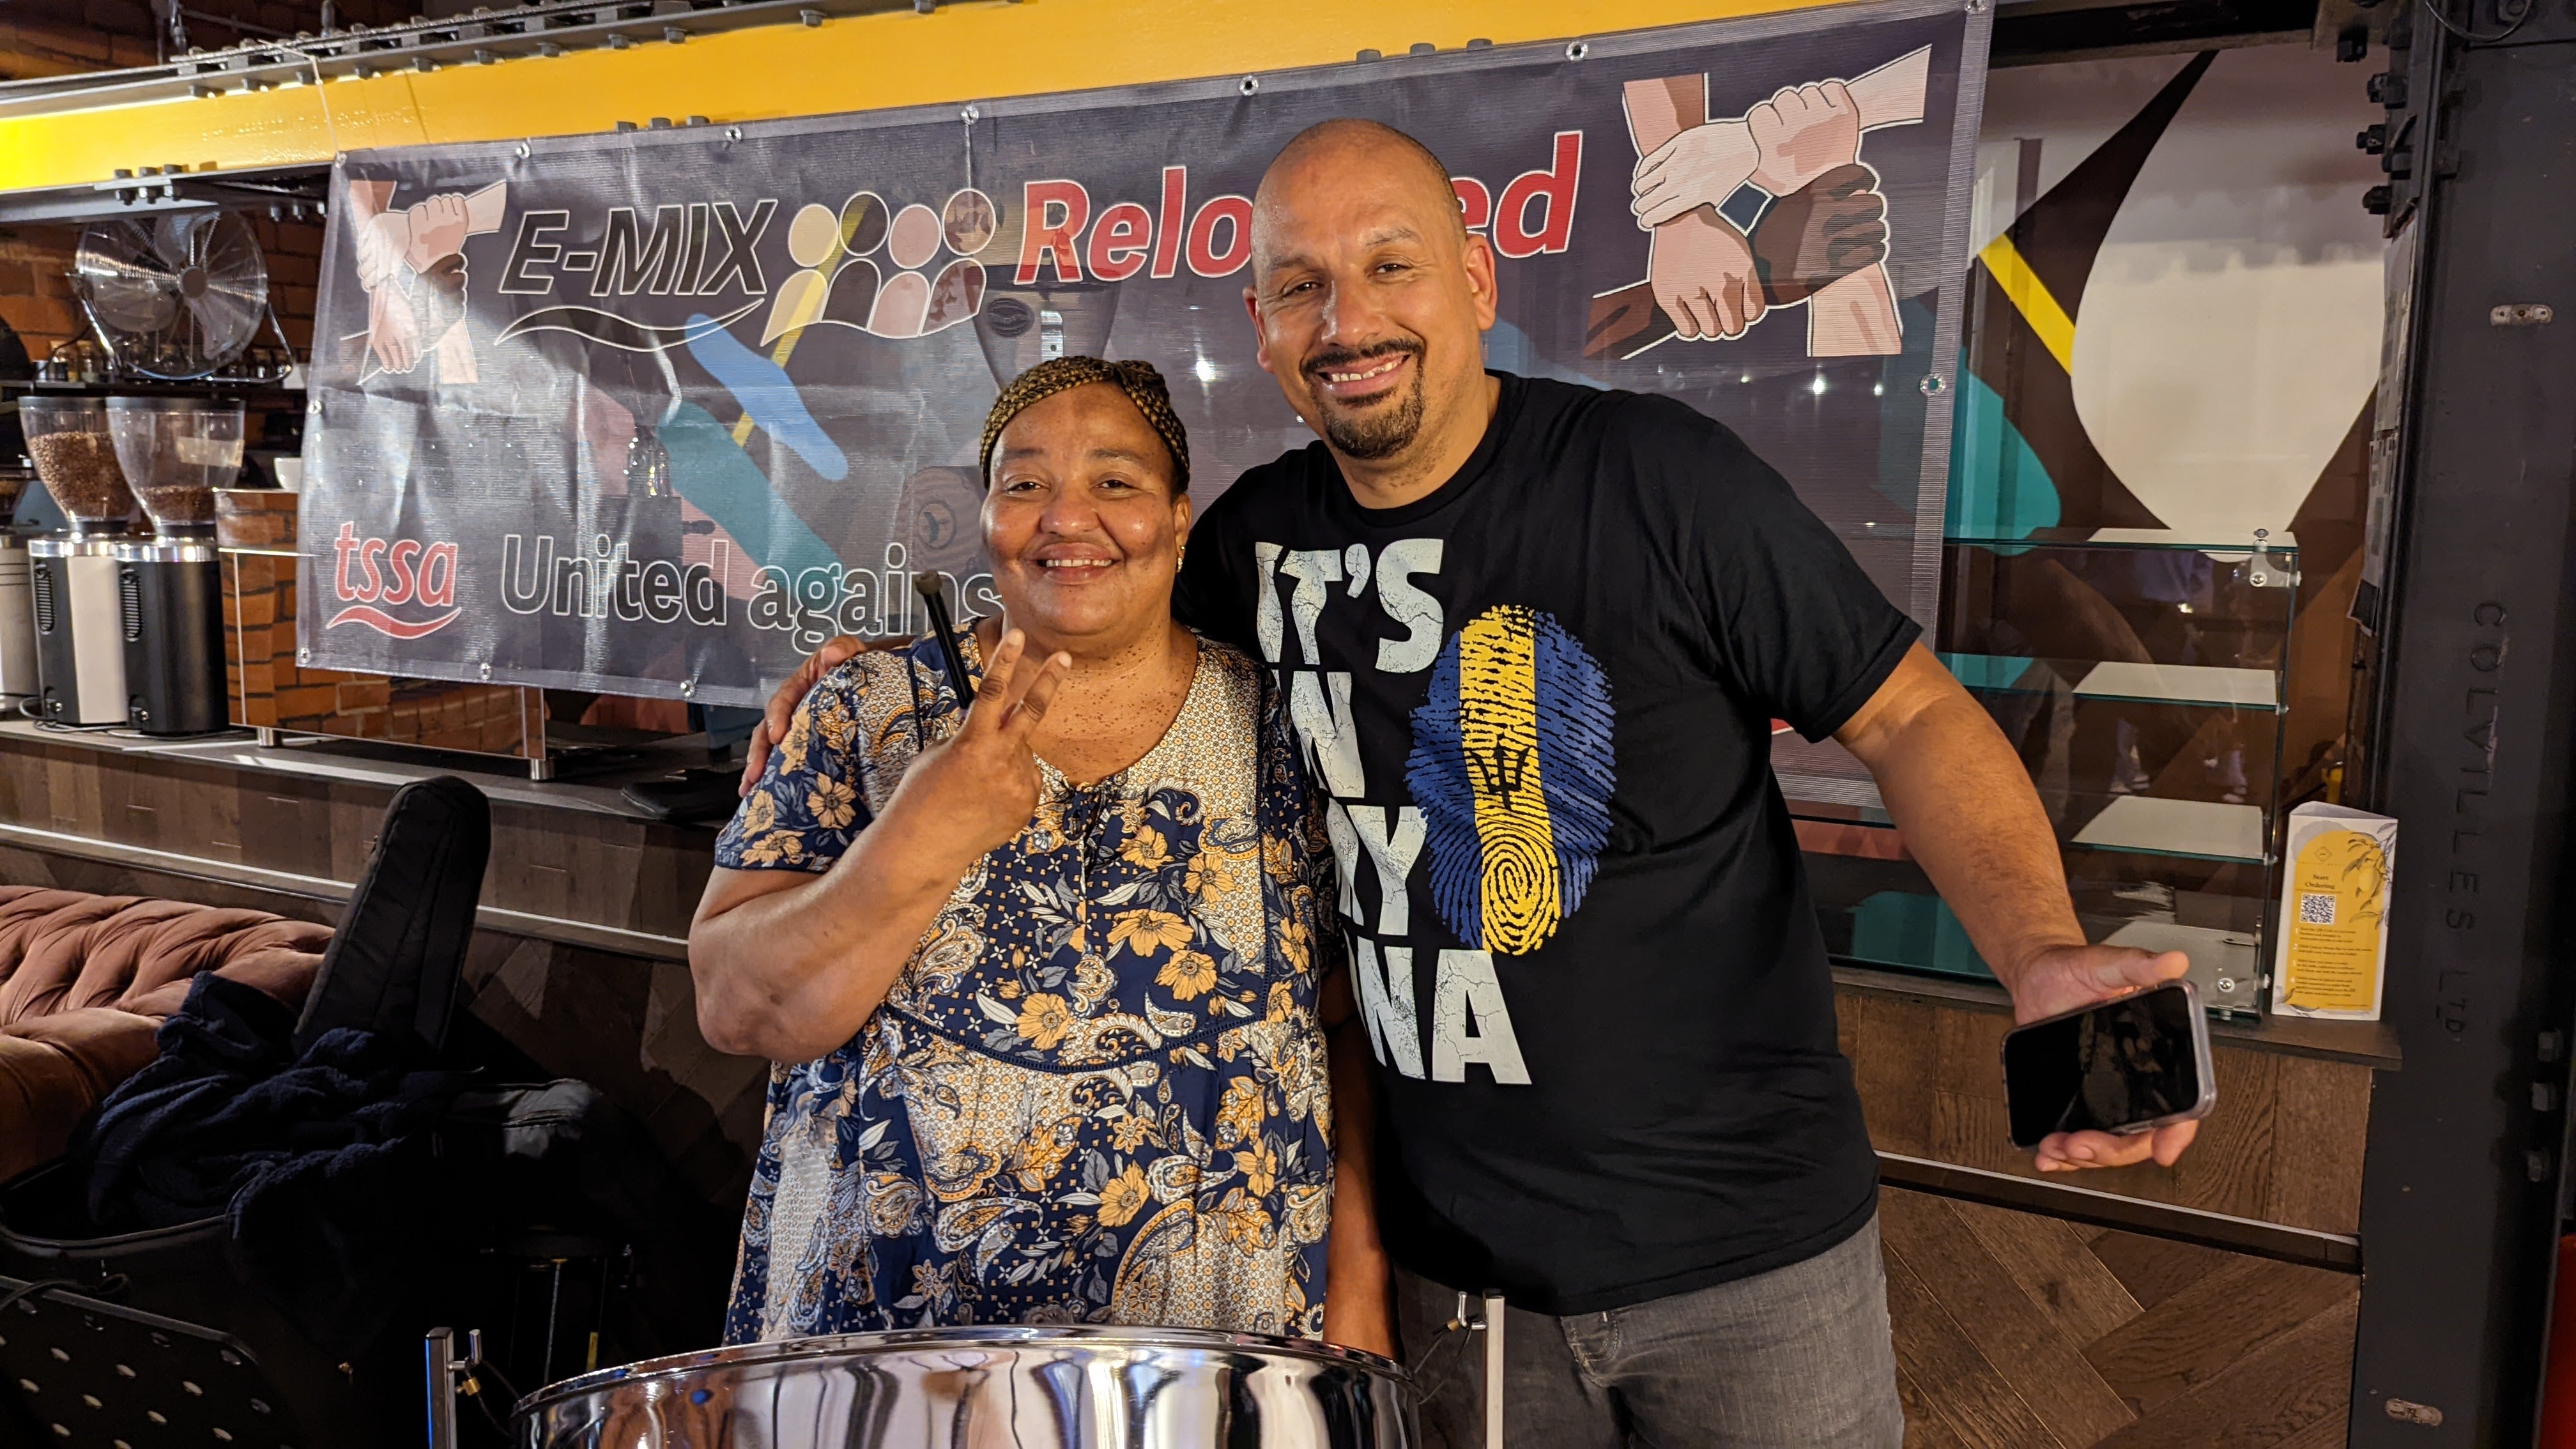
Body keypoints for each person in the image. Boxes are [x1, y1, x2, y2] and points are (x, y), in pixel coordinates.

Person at [742, 121, 2196, 1445]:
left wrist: (2043, 951)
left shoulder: (1660, 482)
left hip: (1747, 1264)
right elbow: (1092, 601)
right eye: (1301, 286)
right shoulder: (1253, 544)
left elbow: (1912, 718)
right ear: (1260, 328)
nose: (1349, 321)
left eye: (1390, 268)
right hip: (1459, 1289)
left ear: (1479, 280)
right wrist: (885, 676)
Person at [689, 357, 1392, 1349]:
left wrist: (1358, 1294)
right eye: (1024, 485)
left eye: (1116, 483)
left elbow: (1341, 1030)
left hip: (1213, 1351)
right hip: (896, 1354)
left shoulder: (1285, 728)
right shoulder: (867, 713)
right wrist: (920, 835)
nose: (1068, 518)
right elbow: (734, 1004)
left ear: (1180, 520)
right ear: (984, 518)